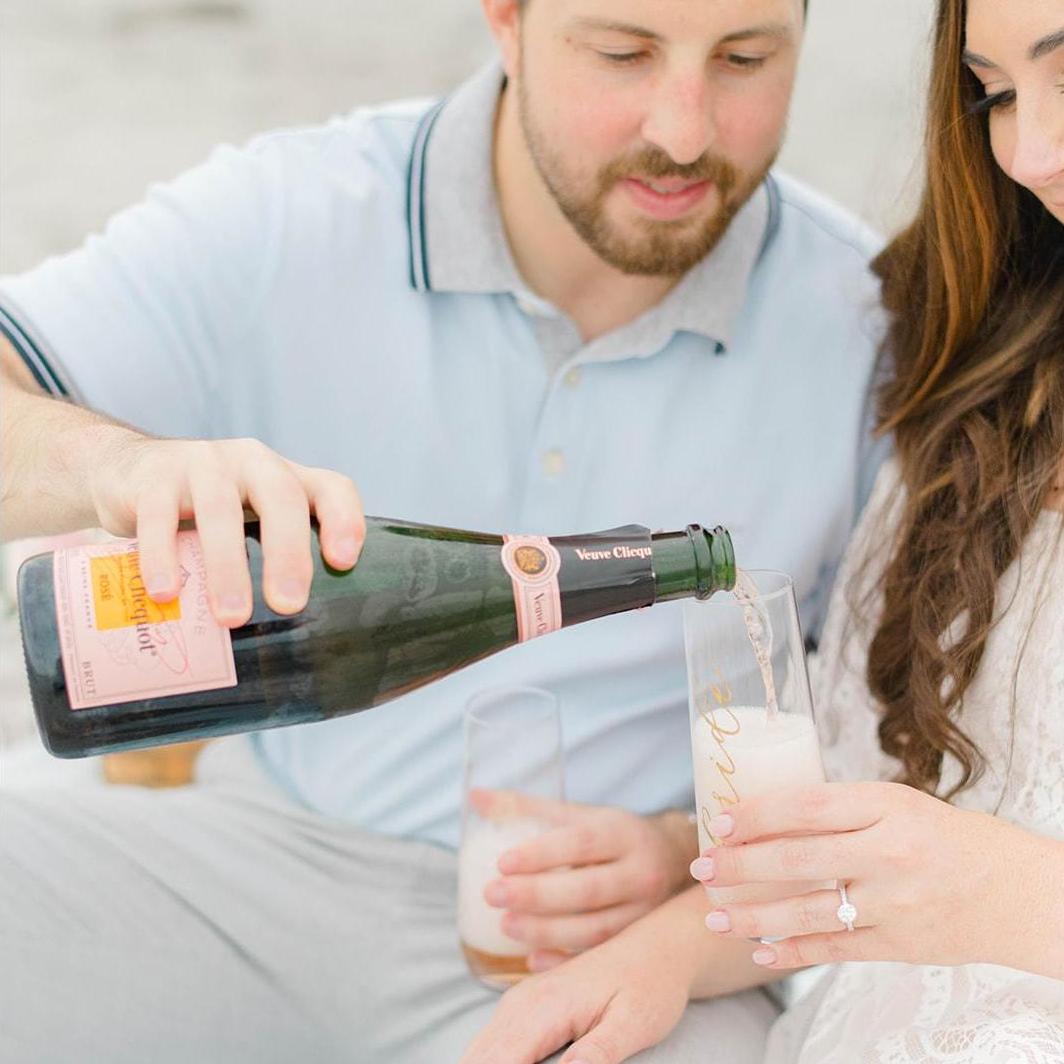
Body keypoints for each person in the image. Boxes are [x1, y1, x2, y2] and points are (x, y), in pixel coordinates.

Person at [0, 1, 884, 1060]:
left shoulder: (876, 327)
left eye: (744, 60)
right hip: (245, 865)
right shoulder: (295, 211)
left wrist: (679, 846)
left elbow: (922, 744)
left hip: (610, 941)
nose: (685, 129)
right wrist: (114, 463)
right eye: (621, 53)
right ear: (506, 21)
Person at [463, 0, 1064, 1061]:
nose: (1026, 152)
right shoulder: (987, 370)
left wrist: (1000, 887)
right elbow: (859, 817)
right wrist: (658, 956)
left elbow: (943, 873)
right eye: (994, 92)